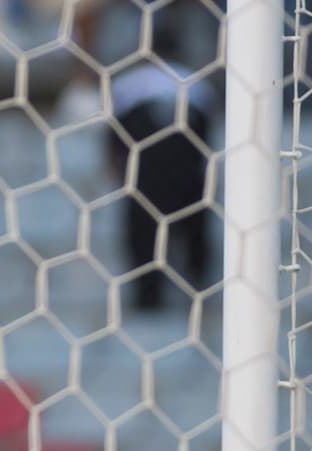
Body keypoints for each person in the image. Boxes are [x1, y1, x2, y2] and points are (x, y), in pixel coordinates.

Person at [107, 27, 216, 312]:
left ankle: (148, 301)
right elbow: (207, 140)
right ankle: (198, 299)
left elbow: (114, 141)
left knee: (144, 242)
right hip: (189, 179)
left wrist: (115, 169)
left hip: (144, 181)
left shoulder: (126, 87)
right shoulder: (197, 87)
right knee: (193, 239)